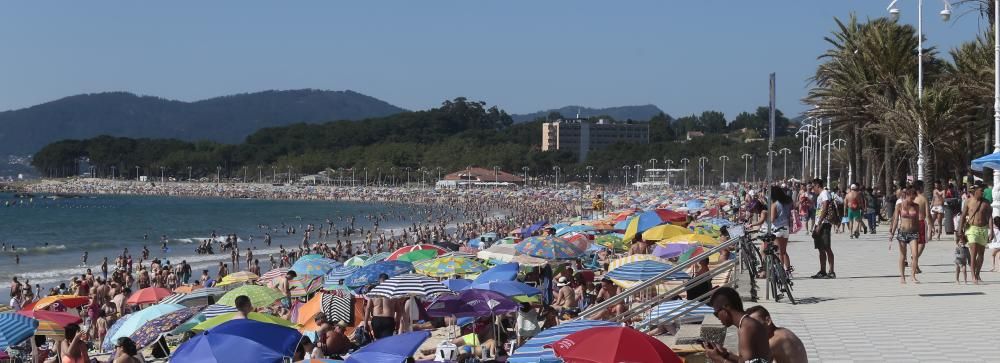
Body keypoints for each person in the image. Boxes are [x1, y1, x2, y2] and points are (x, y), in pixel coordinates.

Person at [703, 287, 771, 363]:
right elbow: (744, 361)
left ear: (726, 308)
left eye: (716, 313)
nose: (717, 317)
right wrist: (725, 355)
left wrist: (717, 358)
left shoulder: (747, 328)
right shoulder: (746, 324)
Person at [958, 181, 993, 284]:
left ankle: (977, 274)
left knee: (981, 254)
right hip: (972, 229)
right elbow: (963, 216)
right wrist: (960, 229)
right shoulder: (968, 201)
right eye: (981, 191)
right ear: (976, 191)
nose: (983, 192)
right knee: (973, 253)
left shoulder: (986, 202)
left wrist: (991, 231)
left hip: (983, 229)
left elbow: (990, 217)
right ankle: (973, 276)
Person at [889, 187, 921, 284]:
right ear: (906, 196)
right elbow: (895, 220)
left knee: (915, 255)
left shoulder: (916, 206)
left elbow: (917, 221)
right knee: (903, 255)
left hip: (913, 233)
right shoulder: (899, 206)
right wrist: (892, 233)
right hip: (902, 233)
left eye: (914, 198)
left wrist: (919, 232)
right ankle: (902, 277)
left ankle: (912, 276)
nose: (913, 200)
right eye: (911, 198)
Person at [810, 179, 835, 279]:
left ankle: (831, 271)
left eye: (813, 187)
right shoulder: (820, 195)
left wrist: (819, 223)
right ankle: (822, 270)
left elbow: (825, 208)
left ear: (817, 185)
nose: (813, 189)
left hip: (824, 224)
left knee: (827, 247)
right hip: (819, 223)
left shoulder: (824, 193)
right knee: (820, 248)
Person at [768, 185, 794, 275]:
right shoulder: (787, 202)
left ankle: (781, 271)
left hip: (777, 228)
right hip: (786, 228)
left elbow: (772, 219)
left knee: (779, 252)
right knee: (784, 251)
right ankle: (788, 271)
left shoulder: (774, 204)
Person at [364, 273, 398, 339]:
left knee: (378, 342)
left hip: (376, 320)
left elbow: (368, 308)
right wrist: (398, 323)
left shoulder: (373, 292)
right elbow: (398, 310)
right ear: (388, 281)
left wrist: (365, 324)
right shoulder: (392, 293)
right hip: (388, 320)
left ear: (379, 280)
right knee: (387, 342)